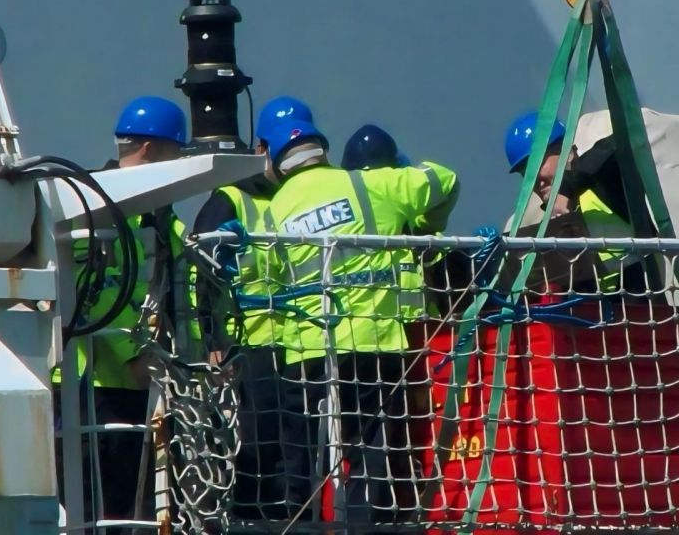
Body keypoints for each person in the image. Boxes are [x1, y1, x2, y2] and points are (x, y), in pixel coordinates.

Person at [259, 96, 459, 528]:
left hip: (306, 356)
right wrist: (424, 226)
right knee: (370, 455)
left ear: (273, 157)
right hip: (374, 345)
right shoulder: (368, 186)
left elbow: (267, 282)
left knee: (308, 461)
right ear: (321, 148)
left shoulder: (273, 212)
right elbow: (444, 179)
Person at [53, 95, 188, 532]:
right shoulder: (87, 208)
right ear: (151, 149)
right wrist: (134, 353)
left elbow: (180, 290)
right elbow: (79, 291)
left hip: (137, 383)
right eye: (175, 153)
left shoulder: (160, 218)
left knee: (133, 508)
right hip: (89, 382)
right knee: (93, 505)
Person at [190, 135, 285, 520]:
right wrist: (216, 341)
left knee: (284, 449)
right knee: (251, 449)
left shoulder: (283, 199)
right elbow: (205, 272)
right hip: (245, 345)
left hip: (287, 342)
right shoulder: (228, 200)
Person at [503, 111, 648, 294]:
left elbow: (623, 139)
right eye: (526, 174)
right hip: (585, 312)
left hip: (639, 303)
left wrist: (566, 186)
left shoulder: (607, 182)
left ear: (567, 151)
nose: (534, 179)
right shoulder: (538, 221)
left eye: (537, 165)